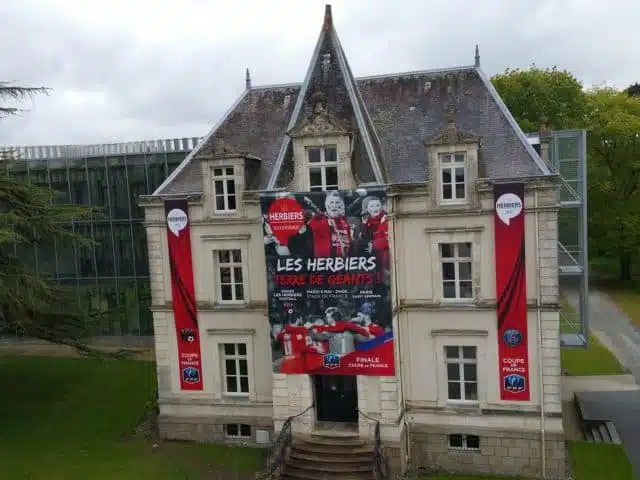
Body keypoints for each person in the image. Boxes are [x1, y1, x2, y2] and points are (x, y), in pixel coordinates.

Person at [359, 195, 389, 273]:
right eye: (372, 206)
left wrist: (374, 245)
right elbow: (363, 238)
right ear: (367, 209)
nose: (375, 208)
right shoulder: (367, 221)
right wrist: (364, 225)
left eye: (378, 205)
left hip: (384, 259)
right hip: (372, 259)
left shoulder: (385, 219)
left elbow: (388, 238)